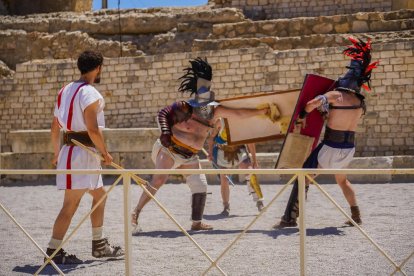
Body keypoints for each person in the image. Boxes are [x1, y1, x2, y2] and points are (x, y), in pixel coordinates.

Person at [131, 57, 273, 231]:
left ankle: (196, 223)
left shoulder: (216, 110)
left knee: (200, 186)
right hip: (169, 149)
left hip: (189, 155)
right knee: (159, 179)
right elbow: (162, 114)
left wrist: (260, 112)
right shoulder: (185, 107)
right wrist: (166, 133)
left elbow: (239, 113)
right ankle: (136, 212)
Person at [273, 37, 379, 228]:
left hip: (330, 147)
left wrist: (304, 114)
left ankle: (289, 218)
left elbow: (311, 104)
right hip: (348, 148)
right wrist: (326, 115)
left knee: (303, 176)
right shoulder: (359, 102)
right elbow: (338, 119)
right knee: (342, 180)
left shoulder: (336, 95)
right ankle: (356, 215)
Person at [46, 51, 124, 264]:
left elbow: (55, 128)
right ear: (98, 67)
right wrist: (105, 153)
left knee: (100, 196)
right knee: (70, 204)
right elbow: (92, 129)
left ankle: (99, 245)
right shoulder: (90, 93)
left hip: (75, 153)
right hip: (80, 154)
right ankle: (53, 252)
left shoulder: (64, 91)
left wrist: (56, 154)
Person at [207, 118, 264, 216]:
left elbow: (250, 141)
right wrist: (210, 152)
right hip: (222, 152)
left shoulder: (242, 121)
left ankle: (259, 200)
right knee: (224, 179)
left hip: (239, 150)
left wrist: (254, 160)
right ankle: (226, 206)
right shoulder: (220, 122)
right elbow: (212, 138)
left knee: (250, 172)